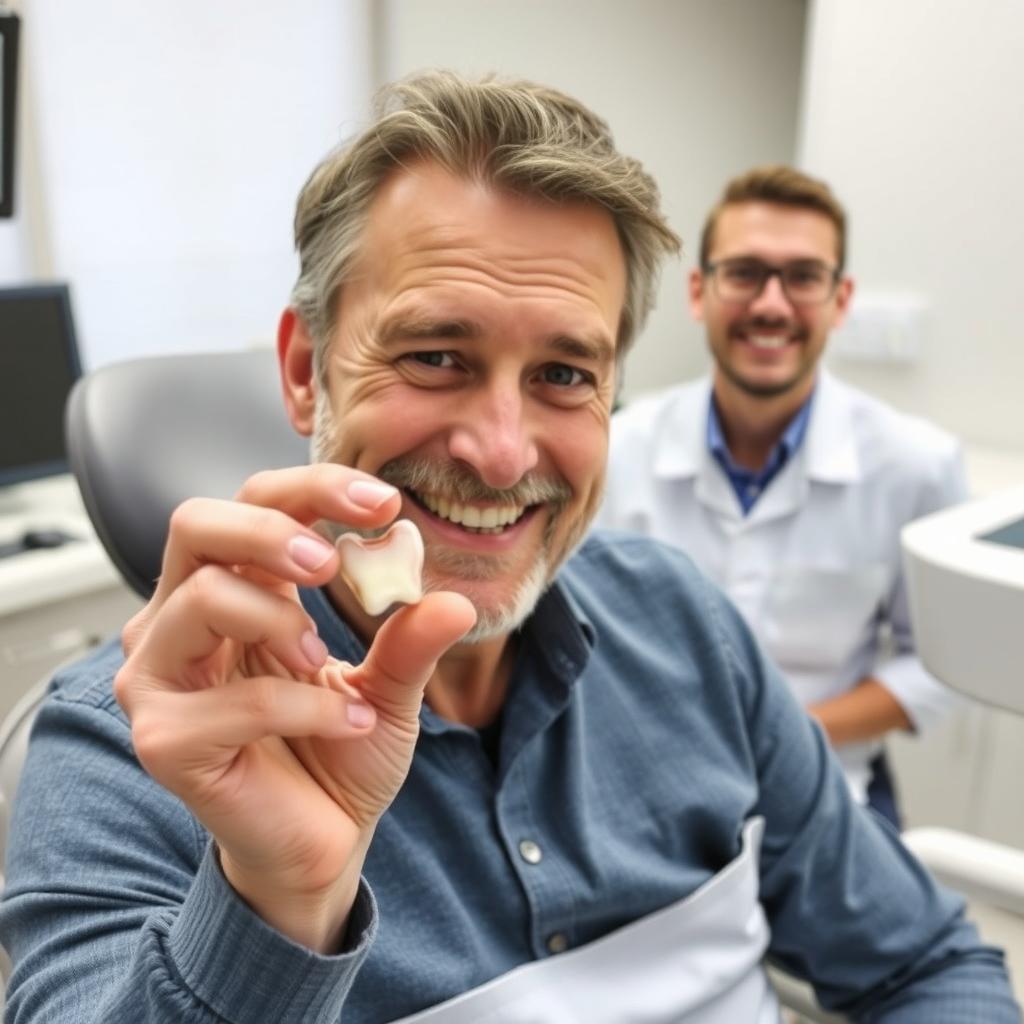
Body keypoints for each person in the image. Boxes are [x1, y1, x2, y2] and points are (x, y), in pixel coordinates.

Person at [0, 73, 1017, 1024]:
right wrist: (274, 903)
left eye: (565, 376)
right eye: (436, 356)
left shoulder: (683, 628)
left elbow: (924, 964)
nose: (498, 454)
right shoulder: (131, 747)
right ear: (308, 371)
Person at [598, 166, 968, 828]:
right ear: (698, 291)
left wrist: (788, 737)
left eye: (802, 277)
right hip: (640, 779)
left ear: (840, 299)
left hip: (829, 779)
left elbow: (941, 663)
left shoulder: (916, 464)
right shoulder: (618, 449)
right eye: (744, 273)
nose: (772, 304)